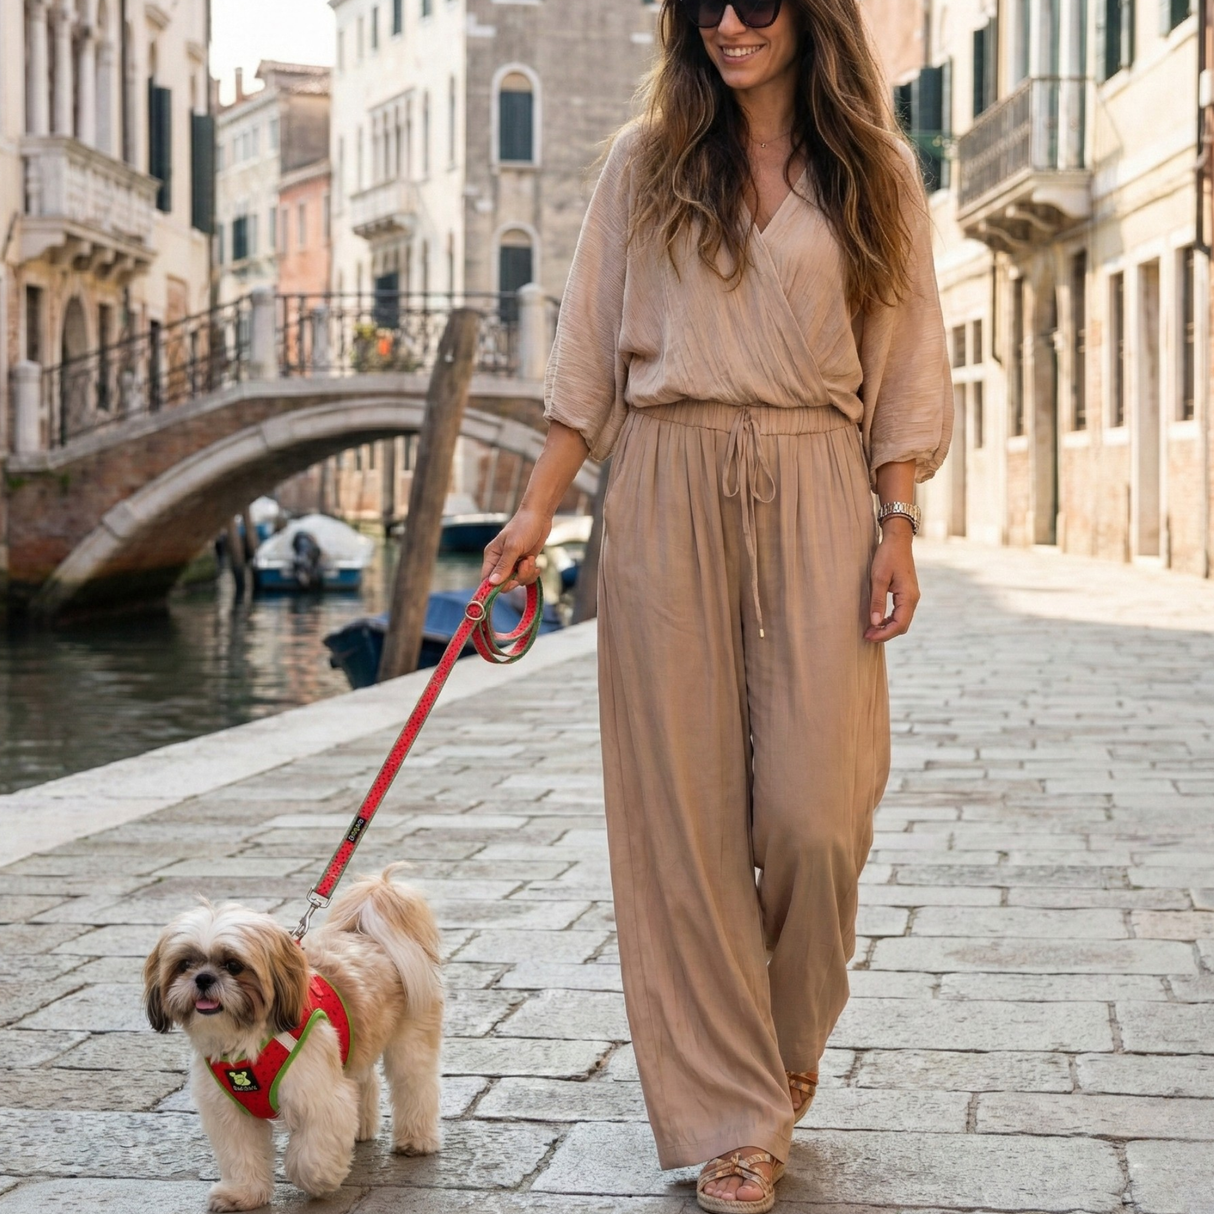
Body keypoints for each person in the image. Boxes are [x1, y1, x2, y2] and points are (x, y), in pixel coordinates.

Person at [482, 1, 952, 1209]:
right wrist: (534, 514)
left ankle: (783, 1042)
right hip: (663, 482)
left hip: (814, 479)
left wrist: (894, 518)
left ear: (812, 15)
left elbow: (898, 355)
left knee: (815, 812)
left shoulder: (873, 168)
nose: (730, 23)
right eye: (707, 4)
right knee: (681, 823)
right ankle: (735, 1116)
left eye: (757, 0)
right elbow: (586, 350)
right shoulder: (646, 160)